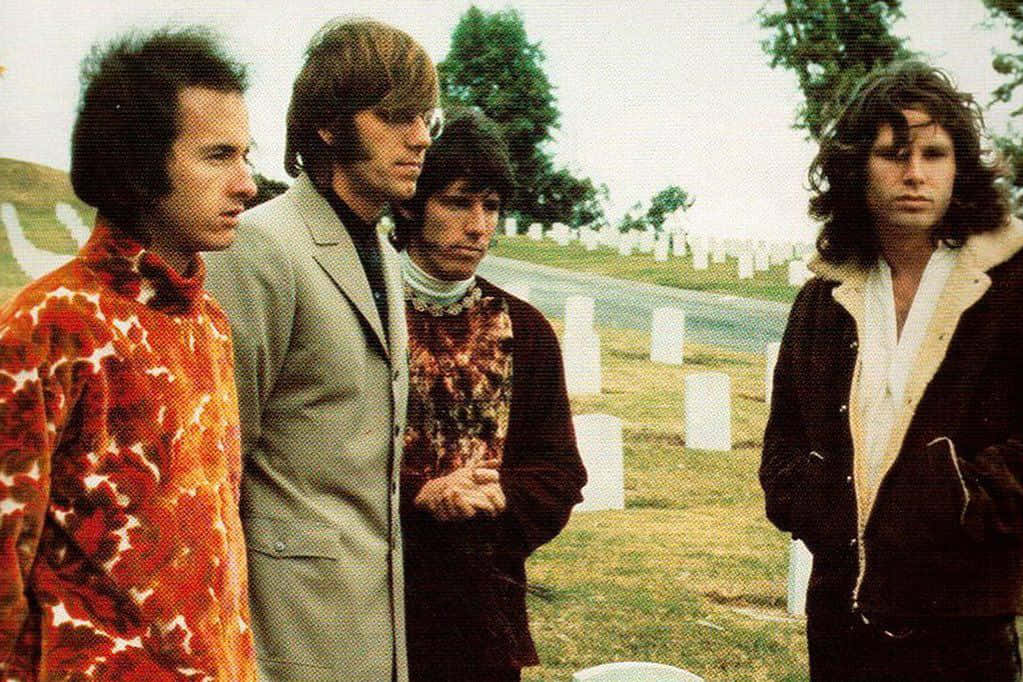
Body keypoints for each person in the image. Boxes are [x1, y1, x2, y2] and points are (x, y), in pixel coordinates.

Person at [0, 28, 257, 679]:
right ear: (137, 164)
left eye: (246, 156)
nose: (247, 184)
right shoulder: (50, 326)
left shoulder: (209, 324)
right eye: (218, 157)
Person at [760, 60, 1023, 681]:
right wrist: (812, 504)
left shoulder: (1011, 291)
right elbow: (784, 442)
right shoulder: (824, 298)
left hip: (964, 626)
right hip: (839, 619)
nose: (915, 174)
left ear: (960, 168)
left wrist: (957, 500)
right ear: (856, 167)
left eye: (934, 154)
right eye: (892, 154)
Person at [204, 17, 441, 681]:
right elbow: (218, 461)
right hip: (284, 628)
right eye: (395, 116)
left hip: (370, 620)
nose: (420, 137)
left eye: (425, 117)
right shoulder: (260, 246)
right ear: (329, 125)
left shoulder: (382, 251)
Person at [391, 110, 587, 682]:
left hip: (481, 607)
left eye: (491, 206)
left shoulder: (523, 329)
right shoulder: (364, 310)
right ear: (410, 205)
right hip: (369, 596)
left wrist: (497, 494)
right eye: (458, 203)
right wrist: (420, 496)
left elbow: (559, 472)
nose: (478, 226)